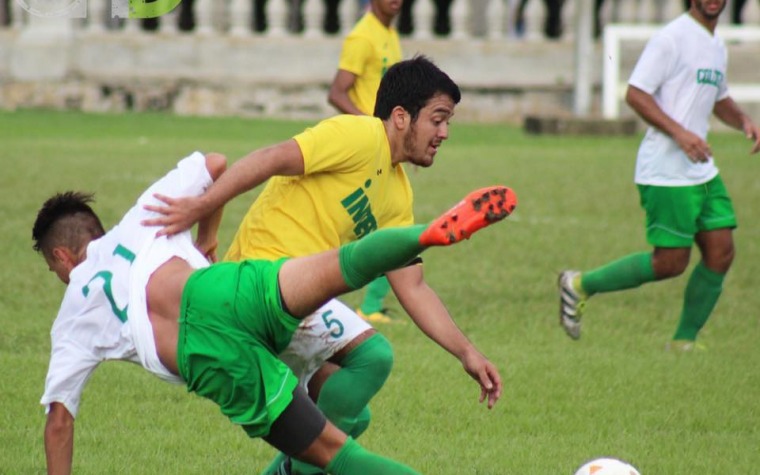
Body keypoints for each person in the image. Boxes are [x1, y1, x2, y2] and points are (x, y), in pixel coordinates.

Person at [33, 150, 516, 475]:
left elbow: (60, 421)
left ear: (62, 257)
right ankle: (427, 233)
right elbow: (216, 163)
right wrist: (206, 237)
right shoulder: (141, 215)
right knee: (339, 268)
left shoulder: (74, 311)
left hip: (205, 356)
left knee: (335, 454)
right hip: (222, 287)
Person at [144, 56, 510, 475]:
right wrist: (205, 208)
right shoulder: (358, 134)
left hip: (299, 303)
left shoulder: (397, 194)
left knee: (350, 413)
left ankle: (294, 468)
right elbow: (272, 157)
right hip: (263, 277)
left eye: (449, 123)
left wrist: (467, 353)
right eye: (438, 119)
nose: (444, 133)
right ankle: (298, 470)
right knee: (373, 357)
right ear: (401, 117)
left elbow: (414, 287)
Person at [558, 0, 760, 350]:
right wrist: (680, 133)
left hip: (700, 169)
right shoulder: (672, 38)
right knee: (670, 262)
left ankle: (683, 343)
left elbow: (718, 97)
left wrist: (744, 120)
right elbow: (636, 94)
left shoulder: (715, 43)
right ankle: (579, 285)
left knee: (721, 251)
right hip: (666, 171)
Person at [328, 0, 404, 324]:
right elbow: (337, 92)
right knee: (378, 228)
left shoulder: (388, 33)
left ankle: (370, 305)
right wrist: (373, 127)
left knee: (389, 226)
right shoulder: (362, 37)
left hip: (386, 145)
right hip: (367, 146)